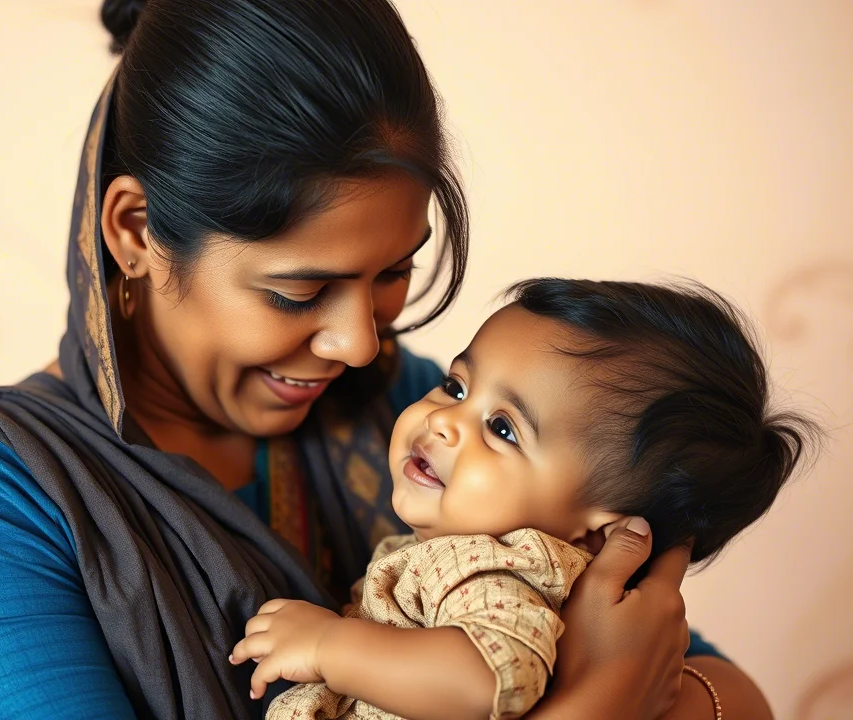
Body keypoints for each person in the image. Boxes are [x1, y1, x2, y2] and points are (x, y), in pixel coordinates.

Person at [0, 1, 776, 718]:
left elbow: (738, 694)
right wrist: (603, 700)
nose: (360, 342)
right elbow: (646, 669)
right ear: (134, 232)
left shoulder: (405, 417)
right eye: (297, 294)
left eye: (392, 275)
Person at [235, 279, 818, 719]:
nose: (444, 421)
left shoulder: (498, 569)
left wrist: (332, 645)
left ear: (603, 531)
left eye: (504, 429)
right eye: (458, 386)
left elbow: (488, 676)